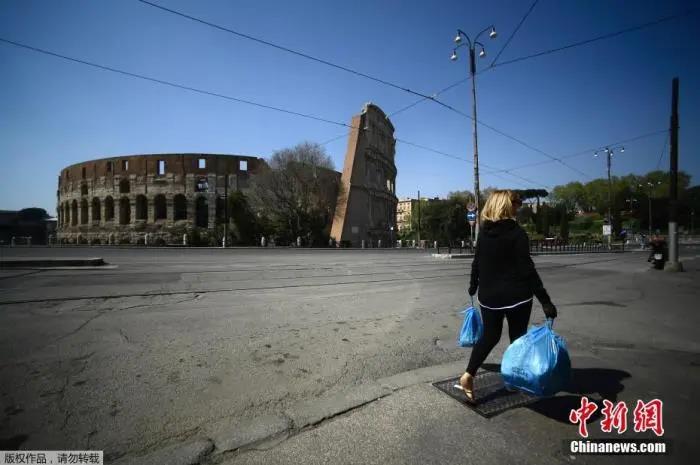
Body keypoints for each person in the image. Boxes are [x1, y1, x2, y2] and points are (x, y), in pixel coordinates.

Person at [458, 190, 557, 402]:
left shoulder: (484, 233)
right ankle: (513, 381)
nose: (518, 206)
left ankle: (468, 374)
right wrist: (546, 301)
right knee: (517, 338)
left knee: (490, 336)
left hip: (489, 297)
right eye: (516, 203)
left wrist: (473, 285)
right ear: (506, 205)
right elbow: (527, 270)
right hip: (517, 296)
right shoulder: (517, 234)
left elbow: (477, 262)